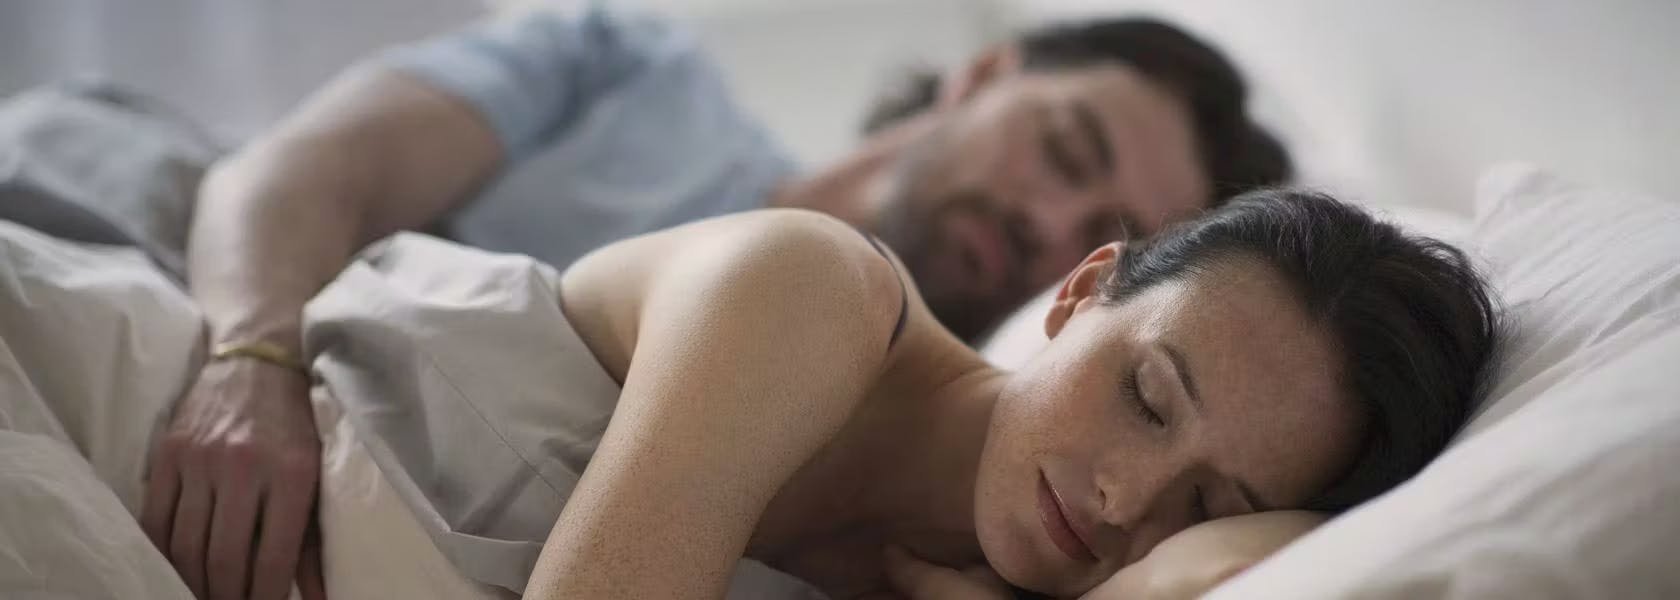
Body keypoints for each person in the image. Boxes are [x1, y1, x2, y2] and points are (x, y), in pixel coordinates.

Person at [156, 4, 1293, 596]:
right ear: (985, 76)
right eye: (1063, 146)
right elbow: (294, 173)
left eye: (1104, 223)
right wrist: (249, 358)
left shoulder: (955, 497)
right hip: (174, 235)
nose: (1052, 222)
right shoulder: (643, 76)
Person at [0, 189, 1494, 599]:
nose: (1123, 501)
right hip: (85, 399)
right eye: (1149, 401)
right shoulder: (811, 290)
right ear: (1080, 293)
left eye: (1206, 504)